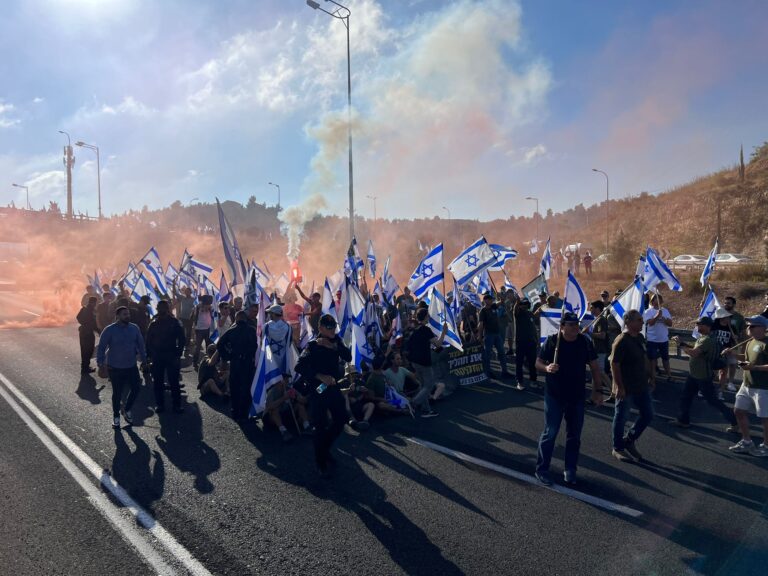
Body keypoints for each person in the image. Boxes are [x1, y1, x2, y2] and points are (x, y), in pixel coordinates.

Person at [534, 312, 603, 486]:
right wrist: (547, 367)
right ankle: (542, 469)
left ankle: (570, 469)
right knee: (550, 432)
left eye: (576, 324)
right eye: (571, 325)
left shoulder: (585, 342)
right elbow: (538, 363)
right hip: (555, 395)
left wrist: (598, 391)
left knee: (574, 435)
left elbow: (595, 367)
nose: (575, 327)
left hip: (577, 396)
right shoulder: (552, 341)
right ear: (562, 327)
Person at [295, 314, 352, 477]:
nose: (333, 330)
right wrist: (319, 376)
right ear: (320, 328)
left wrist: (333, 346)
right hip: (318, 388)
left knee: (341, 418)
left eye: (334, 327)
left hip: (333, 387)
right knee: (319, 425)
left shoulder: (337, 341)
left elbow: (348, 356)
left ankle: (325, 448)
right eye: (329, 328)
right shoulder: (312, 345)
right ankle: (320, 461)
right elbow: (299, 367)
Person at [671, 317, 738, 432]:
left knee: (712, 400)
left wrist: (680, 345)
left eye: (700, 324)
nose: (697, 326)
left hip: (702, 376)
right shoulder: (706, 338)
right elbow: (697, 349)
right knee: (685, 397)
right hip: (695, 375)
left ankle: (735, 421)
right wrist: (683, 343)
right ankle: (683, 421)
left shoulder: (707, 340)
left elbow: (694, 353)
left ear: (708, 326)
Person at [610, 309, 654, 462]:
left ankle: (629, 440)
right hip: (626, 387)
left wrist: (651, 376)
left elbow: (644, 357)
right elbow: (614, 364)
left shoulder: (640, 337)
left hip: (641, 385)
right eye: (639, 320)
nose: (642, 322)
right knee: (621, 417)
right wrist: (619, 386)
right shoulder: (621, 340)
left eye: (642, 320)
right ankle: (617, 448)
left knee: (648, 414)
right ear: (628, 322)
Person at [96, 306, 147, 429]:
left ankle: (127, 409)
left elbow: (141, 344)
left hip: (131, 366)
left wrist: (145, 360)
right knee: (117, 394)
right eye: (125, 314)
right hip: (115, 367)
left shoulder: (134, 328)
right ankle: (116, 417)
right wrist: (100, 363)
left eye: (128, 314)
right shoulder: (109, 330)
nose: (127, 316)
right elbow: (101, 347)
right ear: (117, 316)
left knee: (136, 389)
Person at [728, 315, 768, 457]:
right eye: (748, 326)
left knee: (765, 418)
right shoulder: (751, 342)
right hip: (747, 384)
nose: (748, 328)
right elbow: (746, 359)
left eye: (752, 326)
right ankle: (746, 441)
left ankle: (766, 445)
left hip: (763, 388)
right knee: (738, 411)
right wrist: (732, 354)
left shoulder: (766, 343)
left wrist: (754, 367)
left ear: (763, 328)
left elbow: (754, 364)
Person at [145, 300, 186, 414]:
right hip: (157, 356)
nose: (162, 310)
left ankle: (176, 405)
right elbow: (148, 341)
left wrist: (178, 353)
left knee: (174, 382)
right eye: (160, 308)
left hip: (171, 355)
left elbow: (182, 339)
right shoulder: (153, 323)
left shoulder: (174, 322)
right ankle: (160, 404)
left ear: (167, 309)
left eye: (164, 308)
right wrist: (149, 356)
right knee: (158, 382)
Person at [216, 310, 259, 420]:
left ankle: (235, 410)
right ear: (245, 319)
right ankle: (244, 412)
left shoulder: (231, 331)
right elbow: (256, 346)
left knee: (234, 386)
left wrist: (227, 356)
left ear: (236, 319)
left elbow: (220, 344)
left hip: (235, 362)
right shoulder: (252, 330)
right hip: (247, 363)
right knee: (246, 387)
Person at [404, 308, 446, 418]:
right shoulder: (426, 330)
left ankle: (426, 410)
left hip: (414, 362)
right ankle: (413, 403)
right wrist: (444, 333)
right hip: (424, 362)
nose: (429, 318)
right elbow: (437, 344)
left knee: (423, 386)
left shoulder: (413, 329)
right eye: (428, 316)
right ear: (425, 317)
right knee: (429, 385)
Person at [643, 293, 673, 392]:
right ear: (652, 301)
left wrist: (664, 319)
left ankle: (669, 375)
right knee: (652, 360)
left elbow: (670, 324)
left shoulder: (665, 311)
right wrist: (657, 316)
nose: (657, 301)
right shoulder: (648, 311)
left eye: (659, 299)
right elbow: (650, 323)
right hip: (652, 340)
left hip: (663, 339)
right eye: (655, 299)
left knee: (666, 359)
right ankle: (652, 379)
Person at [478, 293, 510, 379]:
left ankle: (504, 371)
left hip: (497, 334)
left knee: (502, 353)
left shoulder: (493, 306)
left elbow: (501, 301)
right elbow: (481, 325)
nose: (492, 300)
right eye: (490, 299)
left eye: (492, 299)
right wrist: (480, 337)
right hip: (488, 335)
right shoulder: (483, 311)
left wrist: (501, 297)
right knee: (487, 355)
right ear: (485, 300)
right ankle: (488, 372)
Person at [710, 308, 737, 399]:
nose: (729, 319)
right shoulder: (714, 325)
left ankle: (720, 392)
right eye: (727, 317)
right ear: (722, 317)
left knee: (723, 372)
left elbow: (735, 340)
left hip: (726, 352)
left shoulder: (731, 327)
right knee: (712, 372)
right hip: (715, 351)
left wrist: (734, 335)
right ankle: (705, 389)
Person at [588, 300, 613, 399]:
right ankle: (594, 396)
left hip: (600, 350)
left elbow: (602, 335)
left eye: (592, 308)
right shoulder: (597, 319)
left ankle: (614, 393)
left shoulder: (601, 320)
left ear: (598, 309)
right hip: (596, 349)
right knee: (595, 372)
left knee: (601, 372)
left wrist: (589, 333)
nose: (590, 310)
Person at [722, 296, 746, 391]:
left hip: (733, 345)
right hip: (722, 344)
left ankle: (730, 382)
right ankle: (721, 383)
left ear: (733, 305)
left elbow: (743, 333)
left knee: (732, 364)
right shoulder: (721, 315)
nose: (726, 304)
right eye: (725, 303)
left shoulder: (739, 318)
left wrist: (738, 337)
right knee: (722, 365)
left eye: (728, 303)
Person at [513, 298, 537, 390]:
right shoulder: (518, 314)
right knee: (519, 363)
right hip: (520, 342)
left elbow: (533, 327)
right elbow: (515, 309)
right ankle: (519, 382)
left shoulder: (530, 314)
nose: (525, 305)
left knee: (532, 362)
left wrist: (536, 339)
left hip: (531, 342)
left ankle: (533, 381)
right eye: (523, 304)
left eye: (526, 304)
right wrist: (517, 302)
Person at [264, 305, 292, 373]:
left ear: (273, 314)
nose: (269, 315)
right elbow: (290, 342)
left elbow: (263, 342)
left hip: (270, 357)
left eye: (270, 313)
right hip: (283, 357)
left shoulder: (266, 326)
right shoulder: (288, 327)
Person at [77, 296, 99, 374]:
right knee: (88, 350)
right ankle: (85, 368)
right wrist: (99, 331)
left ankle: (85, 367)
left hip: (83, 331)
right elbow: (94, 323)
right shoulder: (92, 311)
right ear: (94, 303)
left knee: (84, 350)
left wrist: (83, 324)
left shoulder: (84, 308)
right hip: (88, 333)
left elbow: (78, 317)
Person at [191, 296, 214, 370]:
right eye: (208, 303)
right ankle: (195, 362)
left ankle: (208, 361)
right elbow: (194, 316)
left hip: (207, 329)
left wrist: (209, 308)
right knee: (198, 347)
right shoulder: (198, 307)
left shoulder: (210, 307)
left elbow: (212, 312)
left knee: (209, 346)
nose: (209, 305)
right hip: (199, 330)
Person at [173, 285, 196, 349]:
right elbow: (174, 292)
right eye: (186, 291)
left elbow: (196, 307)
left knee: (188, 333)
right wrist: (173, 283)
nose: (186, 292)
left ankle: (187, 346)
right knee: (181, 332)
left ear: (190, 292)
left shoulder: (193, 300)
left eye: (188, 291)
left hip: (189, 319)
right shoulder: (182, 297)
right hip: (182, 318)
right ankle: (181, 345)